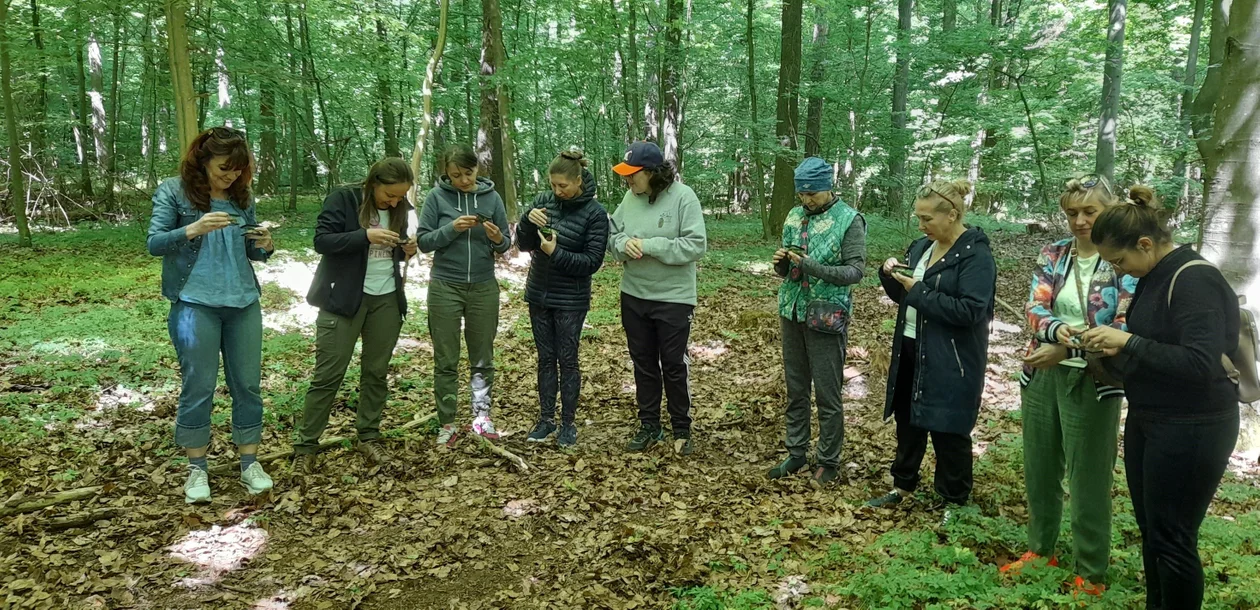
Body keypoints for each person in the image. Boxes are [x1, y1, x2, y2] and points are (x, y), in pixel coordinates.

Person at [1080, 186, 1240, 610]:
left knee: (1173, 538)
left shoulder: (1195, 279)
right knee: (1153, 531)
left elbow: (1200, 363)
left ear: (1145, 244)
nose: (1122, 271)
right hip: (1151, 416)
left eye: (1120, 260)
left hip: (1193, 425)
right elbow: (1158, 342)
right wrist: (1117, 347)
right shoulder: (1154, 275)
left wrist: (1128, 342)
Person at [1006, 174, 1136, 595]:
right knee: (1041, 469)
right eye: (1072, 213)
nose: (1080, 221)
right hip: (1042, 372)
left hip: (1095, 381)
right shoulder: (1054, 253)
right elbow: (1033, 307)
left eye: (1089, 212)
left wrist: (1070, 349)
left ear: (1108, 210)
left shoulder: (1121, 258)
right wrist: (1059, 333)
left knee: (1089, 476)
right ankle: (1040, 550)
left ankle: (1091, 570)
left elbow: (1124, 322)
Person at [145, 126, 275, 503]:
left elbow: (254, 252)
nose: (231, 175)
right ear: (202, 161)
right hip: (193, 303)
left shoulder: (241, 196)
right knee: (199, 385)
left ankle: (249, 463)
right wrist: (193, 228)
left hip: (243, 302)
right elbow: (154, 243)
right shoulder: (174, 190)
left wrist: (265, 244)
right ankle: (196, 471)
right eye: (224, 167)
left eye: (238, 168)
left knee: (247, 384)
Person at [866, 179, 996, 527]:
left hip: (951, 355)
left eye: (927, 219)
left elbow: (970, 311)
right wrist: (890, 277)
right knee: (907, 419)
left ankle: (954, 498)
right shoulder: (923, 246)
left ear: (951, 214)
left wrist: (919, 291)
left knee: (948, 425)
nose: (921, 226)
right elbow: (905, 296)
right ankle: (903, 485)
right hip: (911, 346)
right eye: (918, 218)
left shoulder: (975, 255)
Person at [293, 158, 417, 472]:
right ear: (373, 182)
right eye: (389, 195)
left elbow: (401, 248)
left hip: (386, 298)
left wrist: (408, 249)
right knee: (328, 375)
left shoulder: (402, 209)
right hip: (343, 298)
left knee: (376, 372)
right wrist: (365, 236)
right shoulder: (344, 199)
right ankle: (306, 446)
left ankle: (368, 434)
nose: (395, 201)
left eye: (400, 196)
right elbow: (322, 241)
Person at [767, 157, 866, 487]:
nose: (806, 200)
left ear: (828, 187)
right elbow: (790, 273)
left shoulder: (849, 220)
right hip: (792, 311)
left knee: (827, 392)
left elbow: (855, 271)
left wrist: (813, 267)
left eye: (813, 193)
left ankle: (828, 461)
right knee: (796, 390)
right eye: (801, 194)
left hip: (827, 315)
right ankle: (796, 452)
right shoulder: (794, 216)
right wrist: (782, 264)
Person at [608, 141, 707, 454]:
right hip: (634, 294)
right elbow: (612, 236)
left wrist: (650, 246)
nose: (627, 181)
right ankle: (649, 425)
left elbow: (695, 246)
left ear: (651, 173)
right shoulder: (629, 197)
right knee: (643, 363)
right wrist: (624, 245)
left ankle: (682, 429)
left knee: (674, 364)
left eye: (632, 175)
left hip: (674, 298)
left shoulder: (683, 197)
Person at [417, 143, 513, 446]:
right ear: (446, 173)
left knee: (482, 357)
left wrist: (498, 238)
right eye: (456, 175)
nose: (463, 180)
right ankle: (447, 422)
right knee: (446, 358)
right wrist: (451, 229)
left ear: (478, 169)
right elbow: (423, 241)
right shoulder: (436, 197)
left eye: (468, 173)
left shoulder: (492, 197)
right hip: (446, 285)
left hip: (483, 285)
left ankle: (482, 417)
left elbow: (505, 244)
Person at [518, 148, 609, 447]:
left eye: (563, 186)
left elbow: (591, 262)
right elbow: (524, 245)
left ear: (578, 180)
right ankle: (546, 420)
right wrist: (526, 221)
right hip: (539, 294)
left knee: (567, 360)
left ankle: (568, 424)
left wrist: (555, 252)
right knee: (545, 359)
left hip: (571, 299)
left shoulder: (595, 214)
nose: (557, 191)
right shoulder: (544, 202)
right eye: (553, 185)